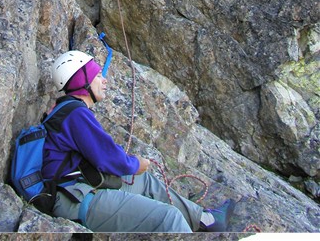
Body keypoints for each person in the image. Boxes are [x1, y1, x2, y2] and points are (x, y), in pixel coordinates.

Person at [42, 50, 237, 233]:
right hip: (75, 200)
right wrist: (136, 164)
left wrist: (134, 168)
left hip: (77, 190)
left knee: (143, 180)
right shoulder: (76, 115)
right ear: (82, 80)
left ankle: (204, 220)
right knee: (168, 218)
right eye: (98, 75)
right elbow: (108, 159)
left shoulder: (68, 111)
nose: (104, 80)